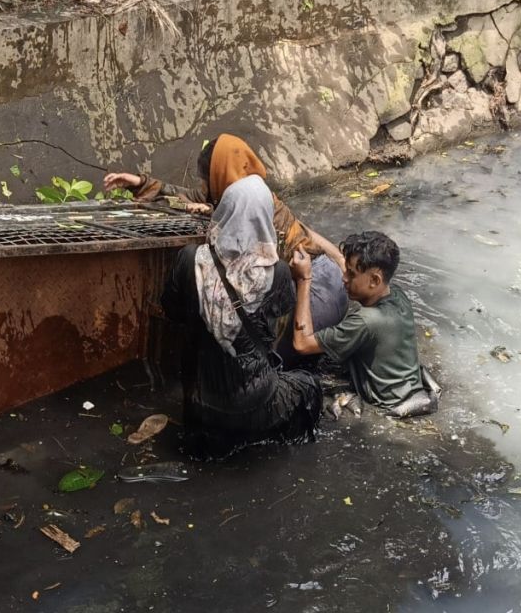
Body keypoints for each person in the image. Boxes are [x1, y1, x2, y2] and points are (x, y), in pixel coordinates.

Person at [104, 134, 350, 342]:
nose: (202, 185)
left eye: (204, 179)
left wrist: (211, 215)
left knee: (237, 332)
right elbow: (189, 196)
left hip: (313, 298)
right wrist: (140, 183)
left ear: (219, 174)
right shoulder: (256, 191)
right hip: (334, 286)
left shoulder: (247, 205)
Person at [161, 173, 322, 457]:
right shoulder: (277, 273)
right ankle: (273, 448)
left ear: (224, 211)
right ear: (265, 218)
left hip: (199, 403)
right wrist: (303, 278)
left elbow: (171, 310)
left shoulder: (189, 259)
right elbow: (274, 333)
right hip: (255, 402)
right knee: (310, 387)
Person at [289, 231, 440, 418]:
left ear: (375, 280)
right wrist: (300, 229)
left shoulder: (365, 321)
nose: (344, 278)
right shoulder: (398, 295)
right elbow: (338, 257)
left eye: (351, 274)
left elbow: (302, 344)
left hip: (386, 407)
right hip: (409, 391)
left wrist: (304, 279)